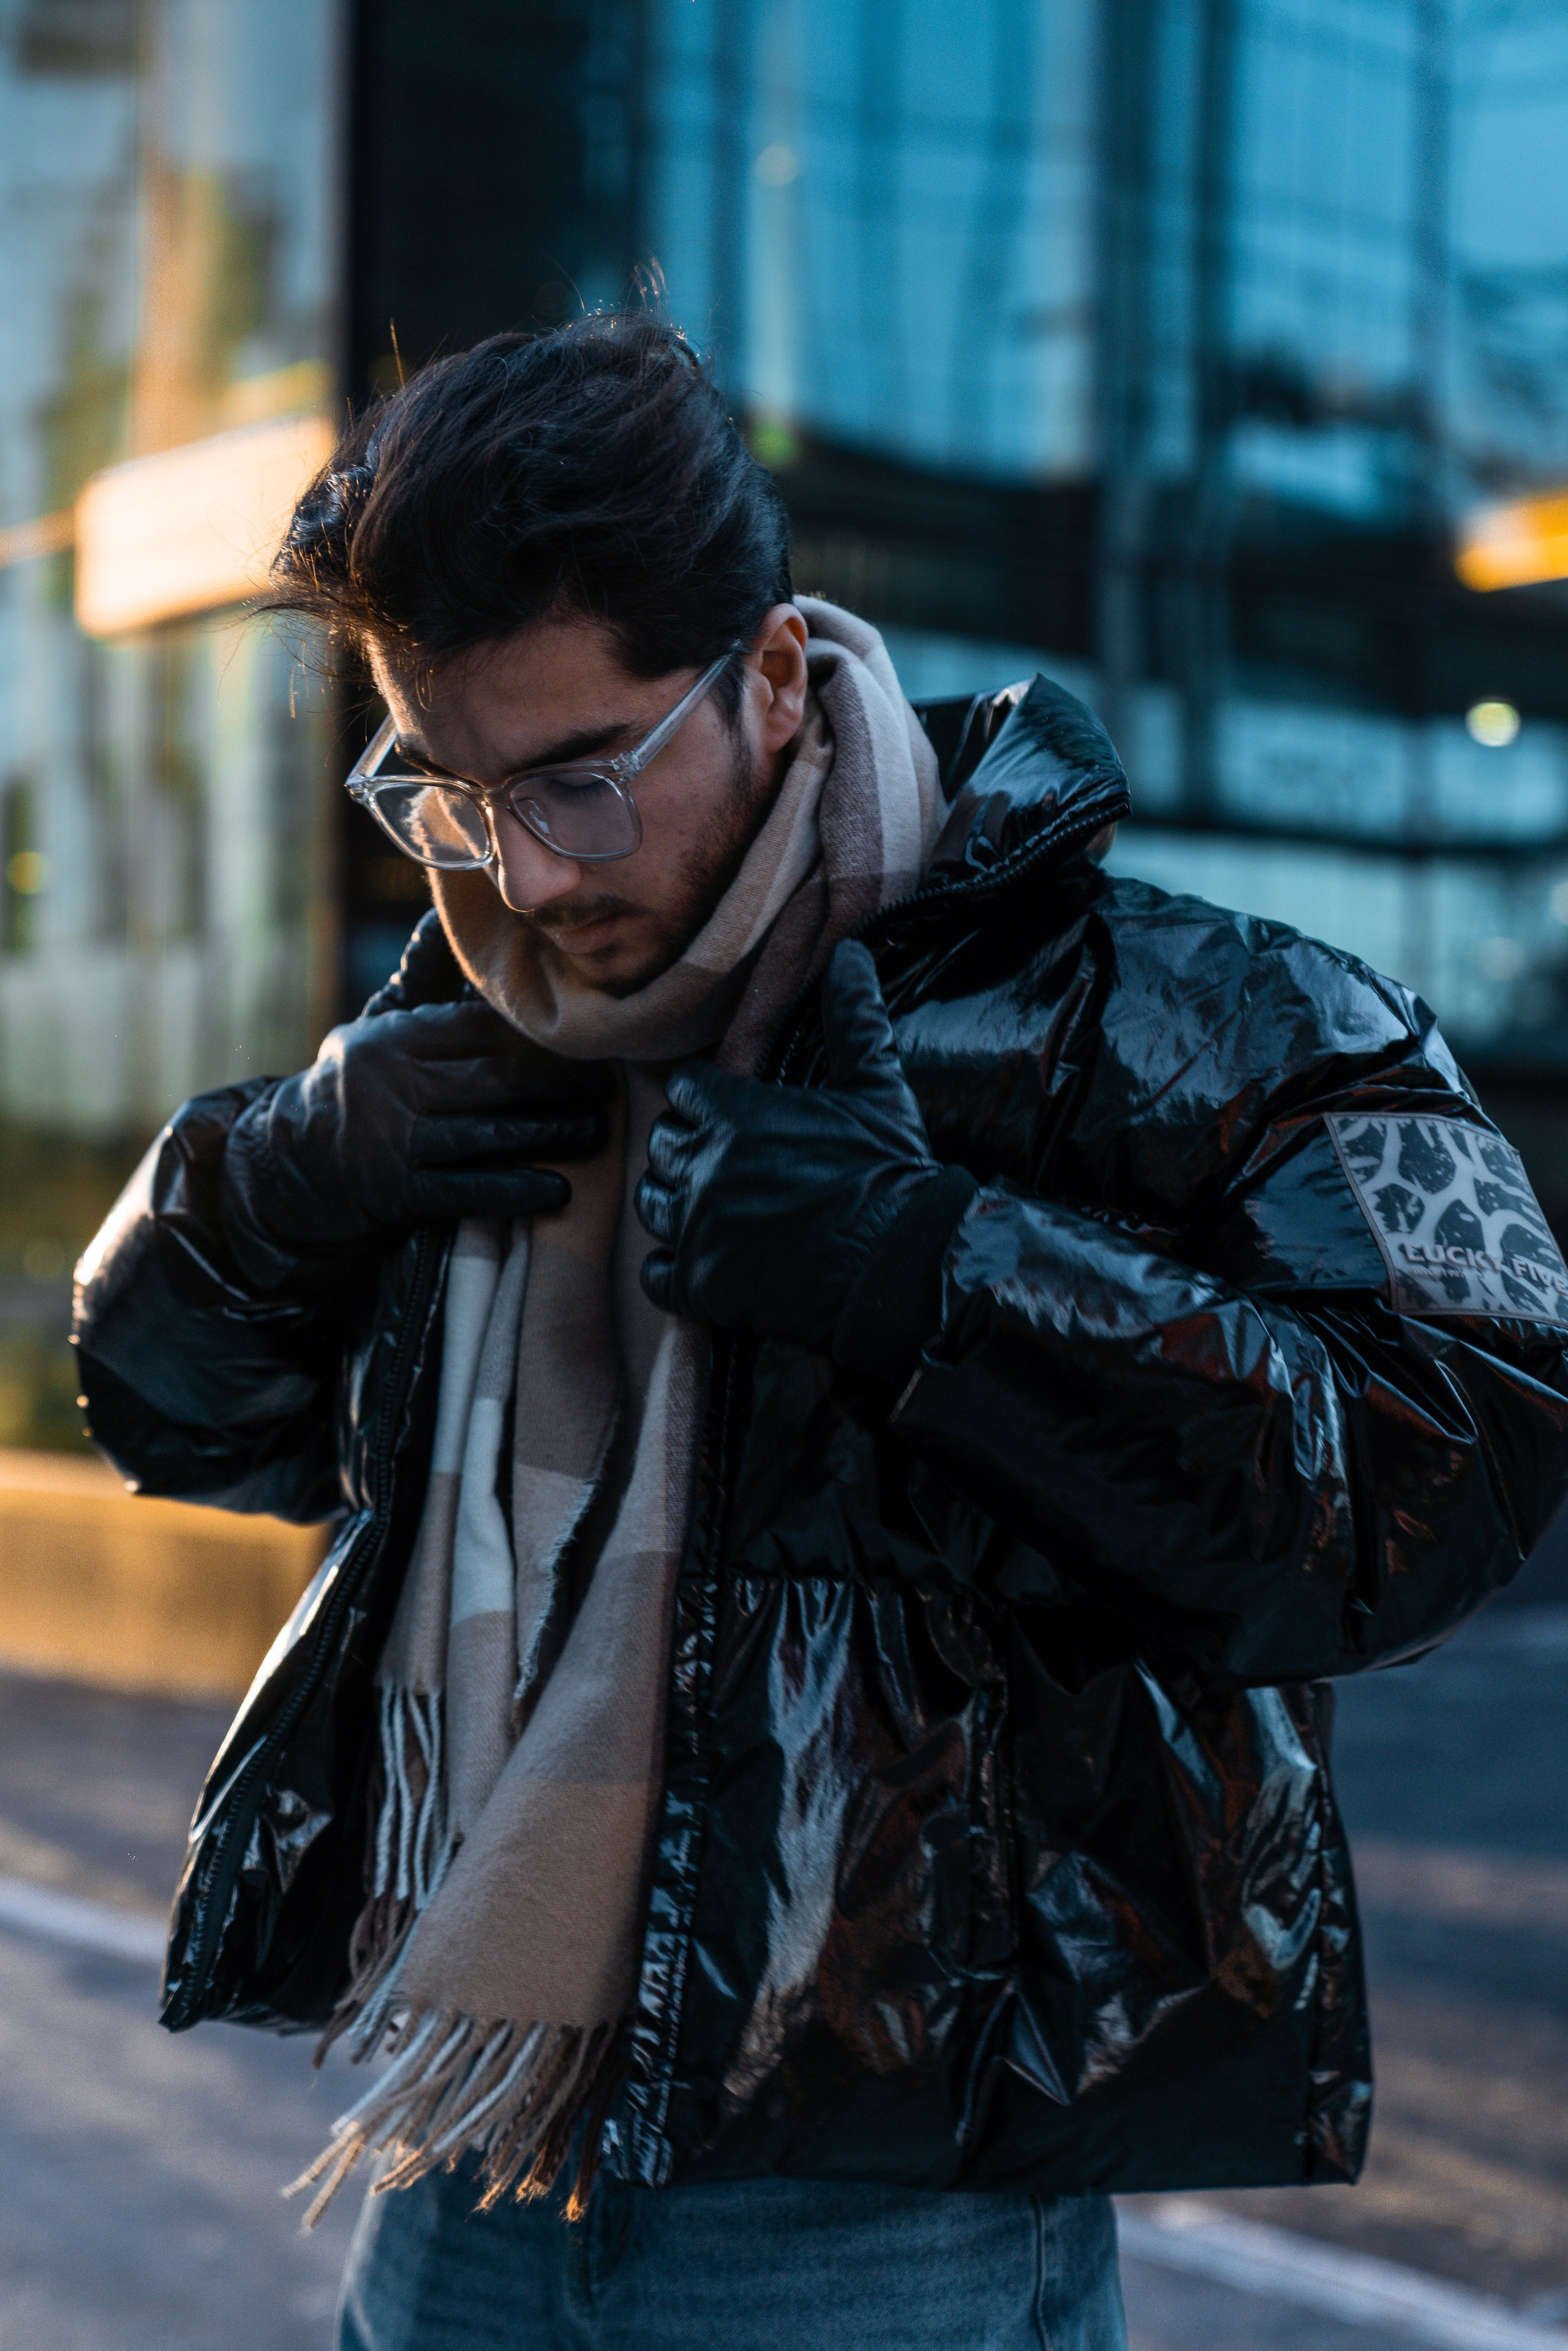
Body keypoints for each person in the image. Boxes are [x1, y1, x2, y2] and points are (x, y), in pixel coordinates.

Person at [74, 315, 1568, 2351]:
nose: (523, 869)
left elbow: (1443, 1473)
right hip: (468, 2150)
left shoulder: (1192, 1018)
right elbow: (208, 1434)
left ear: (774, 674)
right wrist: (268, 1185)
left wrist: (928, 1270)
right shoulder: (467, 1033)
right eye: (445, 789)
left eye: (582, 779)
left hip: (881, 2210)